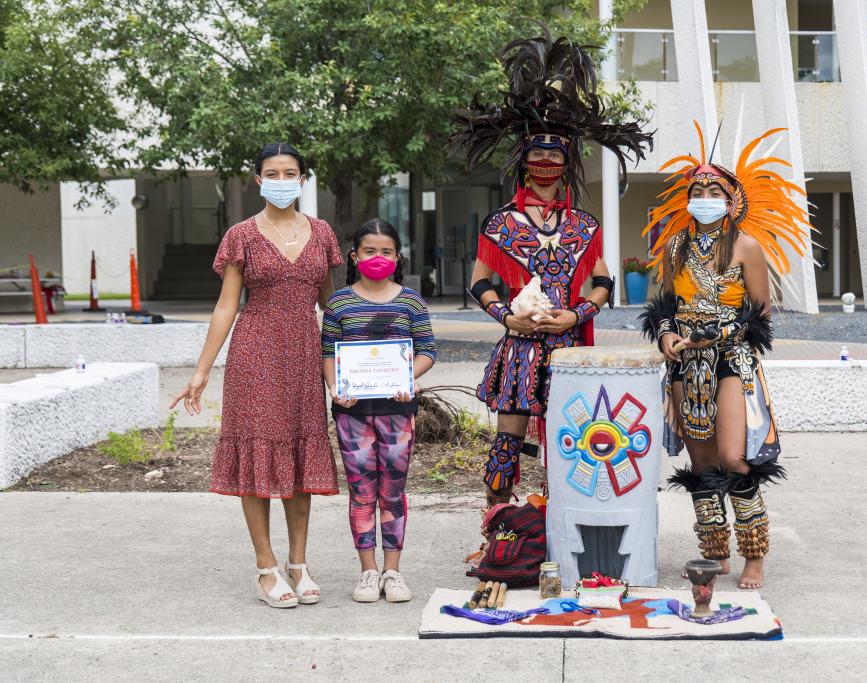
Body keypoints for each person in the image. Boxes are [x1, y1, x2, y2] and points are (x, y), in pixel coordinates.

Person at [449, 29, 653, 507]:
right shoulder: (500, 222)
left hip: (568, 351)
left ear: (567, 163)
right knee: (506, 446)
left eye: (554, 154)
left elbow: (602, 279)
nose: (544, 161)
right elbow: (479, 280)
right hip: (519, 348)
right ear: (522, 161)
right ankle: (499, 526)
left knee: (574, 445)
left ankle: (560, 528)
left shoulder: (584, 224)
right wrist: (506, 317)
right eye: (536, 153)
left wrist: (577, 315)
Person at [171, 142, 342, 608]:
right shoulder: (242, 235)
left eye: (290, 172)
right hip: (254, 355)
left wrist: (358, 358)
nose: (282, 179)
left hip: (306, 354)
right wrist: (202, 369)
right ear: (257, 179)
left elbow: (332, 303)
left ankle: (299, 564)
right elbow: (228, 304)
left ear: (303, 179)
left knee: (302, 460)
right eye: (273, 172)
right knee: (258, 460)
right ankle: (266, 568)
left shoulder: (323, 232)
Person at [640, 123, 810, 590]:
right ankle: (714, 554)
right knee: (702, 465)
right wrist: (666, 335)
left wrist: (720, 334)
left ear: (732, 198)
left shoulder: (747, 246)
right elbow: (663, 308)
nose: (704, 195)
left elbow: (762, 316)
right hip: (684, 366)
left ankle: (754, 554)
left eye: (714, 189)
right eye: (697, 189)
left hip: (731, 361)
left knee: (734, 458)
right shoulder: (674, 246)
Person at [321, 219, 436, 603]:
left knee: (393, 490)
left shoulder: (410, 301)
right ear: (355, 256)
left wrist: (409, 376)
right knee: (361, 491)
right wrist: (336, 389)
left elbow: (427, 351)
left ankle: (393, 571)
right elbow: (327, 354)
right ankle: (367, 572)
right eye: (369, 250)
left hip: (398, 409)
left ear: (397, 256)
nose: (377, 257)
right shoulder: (338, 303)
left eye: (386, 250)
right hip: (352, 413)